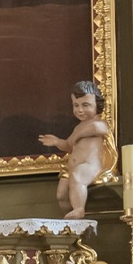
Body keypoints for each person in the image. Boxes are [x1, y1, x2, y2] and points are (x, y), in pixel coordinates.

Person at [38, 80, 110, 220]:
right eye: (76, 105)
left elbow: (100, 129)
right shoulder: (78, 127)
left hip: (90, 165)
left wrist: (78, 135)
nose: (80, 110)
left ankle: (79, 209)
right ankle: (70, 217)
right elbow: (69, 145)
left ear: (98, 105)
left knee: (77, 176)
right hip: (71, 168)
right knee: (61, 194)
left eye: (85, 105)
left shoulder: (98, 123)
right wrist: (57, 141)